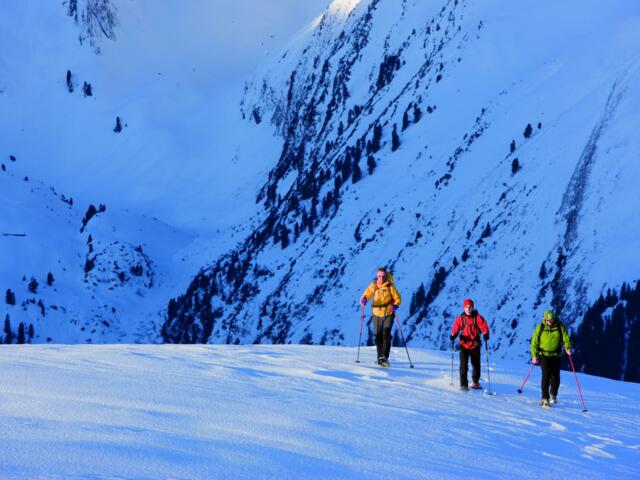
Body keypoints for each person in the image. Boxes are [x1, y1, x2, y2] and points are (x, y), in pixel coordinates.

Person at [359, 268, 401, 367]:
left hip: (388, 313)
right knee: (378, 336)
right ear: (377, 276)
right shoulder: (374, 285)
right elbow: (366, 294)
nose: (381, 278)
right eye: (379, 276)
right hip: (377, 314)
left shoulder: (390, 286)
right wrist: (364, 300)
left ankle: (384, 357)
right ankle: (379, 357)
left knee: (386, 334)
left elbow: (398, 298)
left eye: (383, 276)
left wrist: (396, 305)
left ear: (386, 276)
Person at [531, 309, 572, 407]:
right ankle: (545, 398)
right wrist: (534, 355)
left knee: (555, 377)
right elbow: (534, 343)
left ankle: (553, 394)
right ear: (545, 319)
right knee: (546, 376)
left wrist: (567, 347)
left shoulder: (560, 327)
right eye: (548, 319)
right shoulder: (540, 328)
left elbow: (566, 338)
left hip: (556, 355)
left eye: (551, 319)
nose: (550, 321)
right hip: (544, 355)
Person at [450, 299, 490, 391]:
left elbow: (484, 326)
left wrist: (485, 334)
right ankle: (464, 385)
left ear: (473, 307)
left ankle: (475, 382)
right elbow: (455, 329)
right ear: (463, 308)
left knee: (476, 365)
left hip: (475, 344)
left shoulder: (478, 318)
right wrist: (453, 335)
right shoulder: (460, 319)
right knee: (463, 365)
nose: (468, 309)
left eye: (470, 307)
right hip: (464, 345)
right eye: (466, 307)